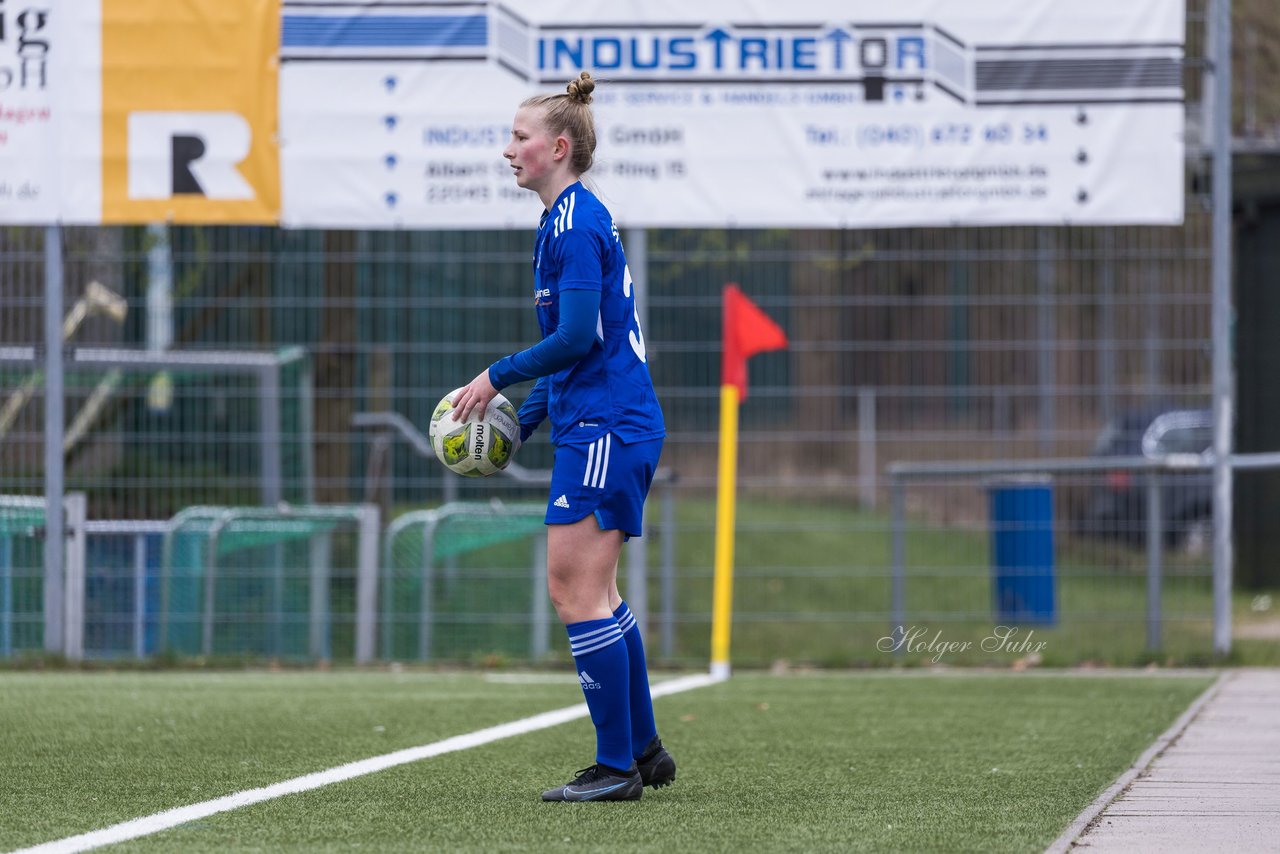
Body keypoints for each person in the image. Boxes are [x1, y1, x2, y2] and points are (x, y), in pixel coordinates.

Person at [451, 71, 673, 802]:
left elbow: (577, 336)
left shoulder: (574, 224)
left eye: (519, 138)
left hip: (609, 425)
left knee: (573, 588)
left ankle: (615, 772)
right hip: (605, 420)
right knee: (598, 591)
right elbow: (577, 342)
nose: (507, 150)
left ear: (558, 146)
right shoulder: (564, 219)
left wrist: (497, 377)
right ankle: (642, 752)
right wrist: (527, 417)